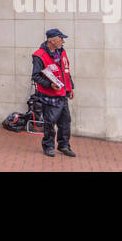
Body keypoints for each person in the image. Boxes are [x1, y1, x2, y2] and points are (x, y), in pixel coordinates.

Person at [31, 28, 75, 157]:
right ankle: (48, 146)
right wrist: (50, 85)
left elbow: (66, 71)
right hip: (49, 95)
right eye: (61, 39)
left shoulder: (61, 52)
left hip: (63, 94)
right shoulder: (39, 55)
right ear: (52, 40)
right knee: (50, 123)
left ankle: (64, 145)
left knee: (65, 121)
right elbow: (36, 76)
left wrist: (70, 88)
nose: (63, 41)